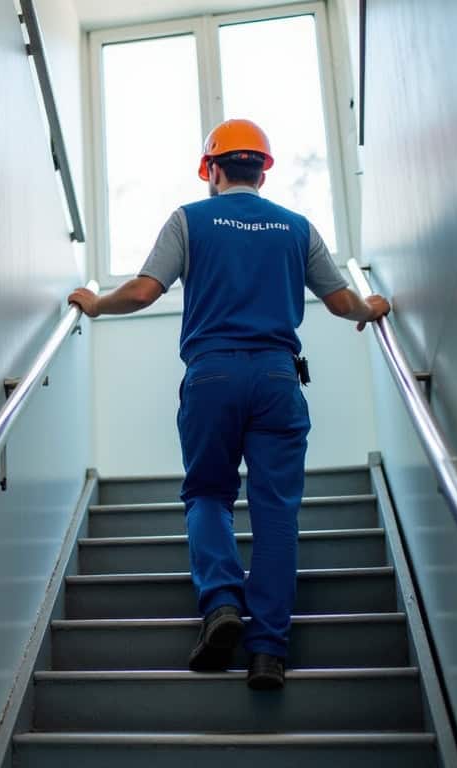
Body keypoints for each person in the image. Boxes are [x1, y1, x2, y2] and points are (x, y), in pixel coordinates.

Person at [68, 119, 390, 690]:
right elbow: (343, 301)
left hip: (211, 374)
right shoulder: (297, 228)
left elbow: (144, 290)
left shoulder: (189, 219)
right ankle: (268, 651)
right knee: (276, 511)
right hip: (277, 377)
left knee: (208, 493)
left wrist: (95, 305)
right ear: (262, 171)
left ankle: (220, 603)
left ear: (212, 169)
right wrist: (373, 309)